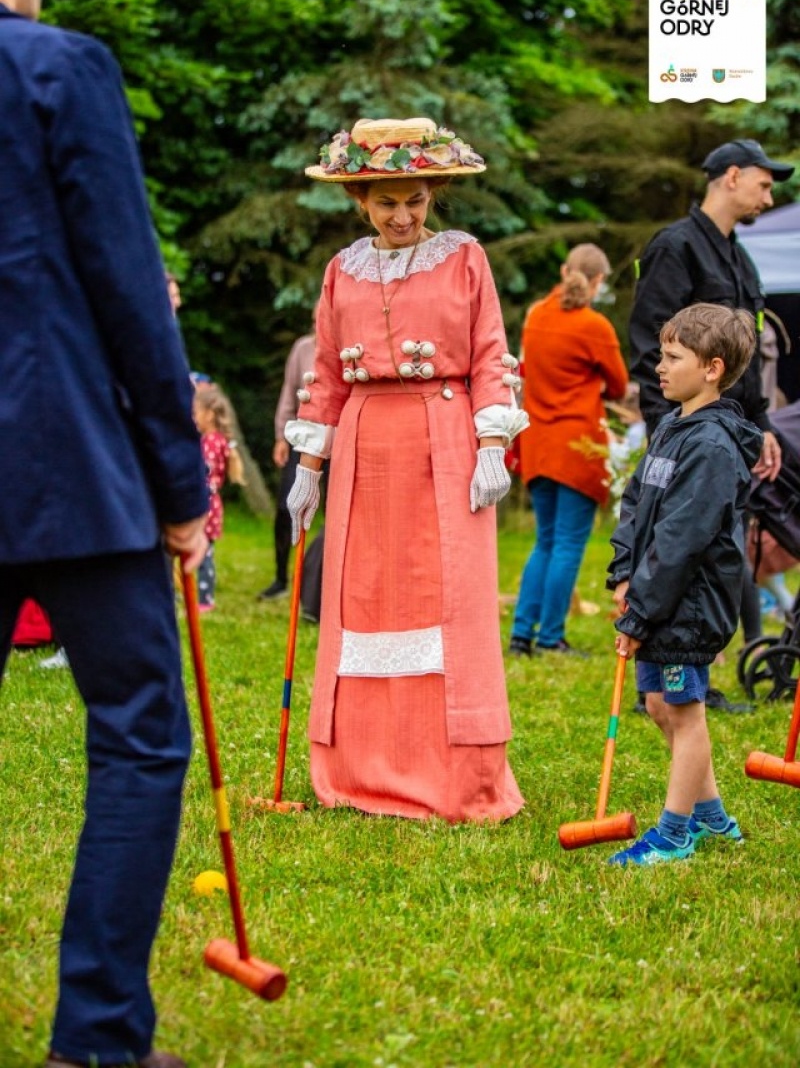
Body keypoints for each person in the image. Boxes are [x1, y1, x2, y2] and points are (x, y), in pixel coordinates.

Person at [0, 0, 208, 1067]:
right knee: (135, 732)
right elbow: (132, 294)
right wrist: (180, 486)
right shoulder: (57, 69)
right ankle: (95, 1039)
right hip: (63, 461)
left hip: (58, 456)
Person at [284, 116, 528, 822]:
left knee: (445, 596)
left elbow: (489, 352)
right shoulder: (341, 271)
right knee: (363, 594)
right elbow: (327, 373)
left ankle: (457, 775)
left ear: (433, 195)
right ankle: (356, 769)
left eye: (415, 200)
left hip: (444, 440)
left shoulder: (464, 258)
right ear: (361, 201)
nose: (401, 215)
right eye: (386, 202)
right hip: (364, 444)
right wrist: (308, 465)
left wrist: (491, 445)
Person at [628, 138, 793, 711]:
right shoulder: (676, 247)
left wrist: (761, 425)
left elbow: (742, 356)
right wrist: (667, 433)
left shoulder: (739, 256)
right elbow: (652, 347)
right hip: (684, 432)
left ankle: (712, 669)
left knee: (724, 543)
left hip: (730, 429)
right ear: (731, 177)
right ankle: (667, 680)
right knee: (677, 547)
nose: (769, 196)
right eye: (764, 183)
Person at [607, 304, 763, 866]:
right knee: (657, 704)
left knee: (685, 709)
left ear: (713, 368)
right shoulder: (673, 428)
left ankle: (674, 832)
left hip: (689, 601)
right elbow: (637, 505)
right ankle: (713, 818)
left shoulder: (714, 447)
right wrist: (623, 572)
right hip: (656, 593)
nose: (660, 368)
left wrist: (640, 611)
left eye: (674, 358)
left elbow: (682, 539)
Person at [509, 244, 628, 656]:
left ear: (564, 271)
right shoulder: (595, 326)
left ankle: (522, 634)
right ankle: (550, 637)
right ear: (597, 282)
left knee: (545, 541)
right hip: (577, 445)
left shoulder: (536, 316)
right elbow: (618, 384)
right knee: (567, 543)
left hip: (538, 442)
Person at [257, 309, 320, 602]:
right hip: (303, 436)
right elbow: (289, 391)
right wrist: (281, 434)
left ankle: (318, 585)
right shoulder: (303, 348)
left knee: (335, 515)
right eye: (316, 318)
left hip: (338, 437)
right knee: (285, 506)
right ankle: (281, 579)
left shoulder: (350, 344)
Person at [193, 382, 245, 611]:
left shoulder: (211, 443)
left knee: (203, 553)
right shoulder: (213, 440)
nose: (193, 418)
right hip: (210, 504)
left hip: (206, 505)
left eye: (196, 413)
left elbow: (205, 472)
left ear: (210, 414)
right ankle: (200, 595)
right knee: (203, 551)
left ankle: (205, 599)